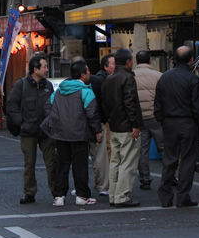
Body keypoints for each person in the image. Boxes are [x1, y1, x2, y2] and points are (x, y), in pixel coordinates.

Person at [41, 60, 103, 206]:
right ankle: (81, 195)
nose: (89, 74)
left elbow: (48, 108)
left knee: (62, 165)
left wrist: (57, 123)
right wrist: (97, 131)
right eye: (88, 71)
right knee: (80, 165)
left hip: (60, 134)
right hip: (79, 134)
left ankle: (59, 196)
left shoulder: (58, 91)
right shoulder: (86, 91)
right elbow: (92, 114)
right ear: (82, 74)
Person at [154, 46, 199, 208]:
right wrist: (198, 122)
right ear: (191, 60)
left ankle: (165, 196)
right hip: (189, 123)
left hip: (169, 122)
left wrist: (162, 119)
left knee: (169, 159)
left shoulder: (164, 78)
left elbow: (158, 104)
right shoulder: (192, 79)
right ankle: (183, 196)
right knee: (188, 160)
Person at [5, 54, 58, 205]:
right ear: (35, 69)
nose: (47, 70)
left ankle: (56, 191)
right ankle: (29, 192)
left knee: (52, 162)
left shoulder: (47, 85)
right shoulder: (21, 85)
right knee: (29, 163)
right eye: (45, 67)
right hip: (28, 130)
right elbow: (12, 106)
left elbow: (52, 104)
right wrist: (21, 123)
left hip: (46, 131)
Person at [100, 48, 143, 207]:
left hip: (114, 125)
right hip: (127, 126)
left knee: (115, 161)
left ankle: (113, 194)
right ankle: (122, 196)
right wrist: (135, 124)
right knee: (128, 162)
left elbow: (105, 104)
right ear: (127, 62)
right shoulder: (127, 78)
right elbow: (130, 103)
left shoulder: (108, 79)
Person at [133, 50, 164, 190]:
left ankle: (145, 179)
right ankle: (170, 176)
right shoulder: (159, 76)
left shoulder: (131, 76)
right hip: (156, 117)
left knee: (142, 151)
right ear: (150, 61)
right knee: (164, 148)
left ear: (136, 61)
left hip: (140, 118)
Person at [87, 53, 114, 197]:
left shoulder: (95, 81)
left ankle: (84, 187)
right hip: (100, 124)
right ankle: (103, 185)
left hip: (82, 126)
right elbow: (102, 106)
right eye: (113, 64)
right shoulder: (101, 82)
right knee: (101, 157)